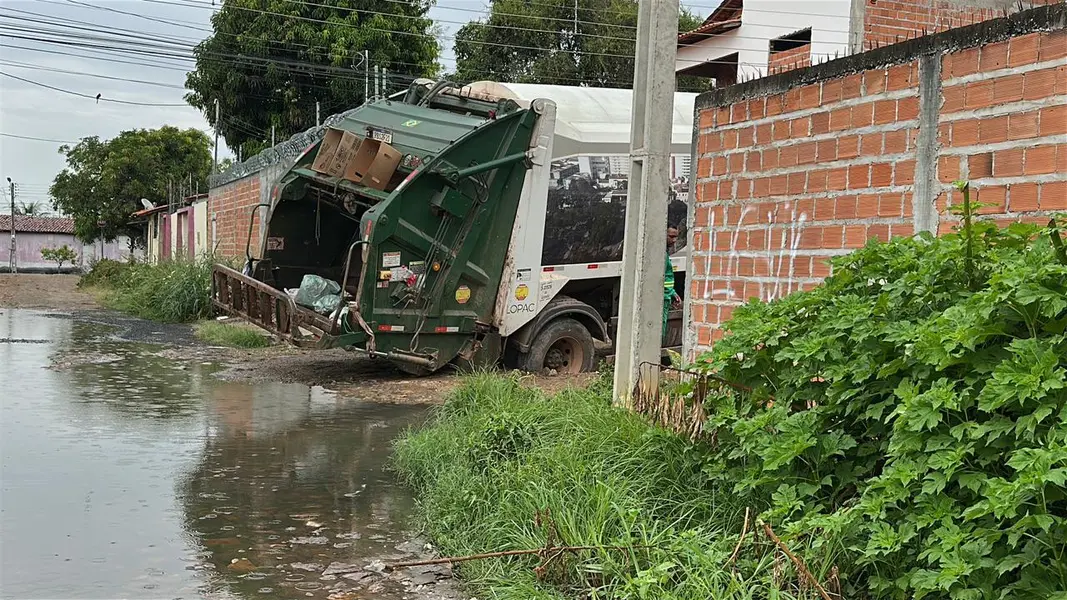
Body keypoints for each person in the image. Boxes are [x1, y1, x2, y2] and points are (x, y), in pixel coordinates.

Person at [663, 226, 682, 339]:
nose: (674, 240)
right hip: (663, 297)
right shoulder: (662, 255)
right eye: (671, 236)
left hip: (666, 295)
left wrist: (673, 293)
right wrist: (670, 292)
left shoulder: (664, 254)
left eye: (676, 237)